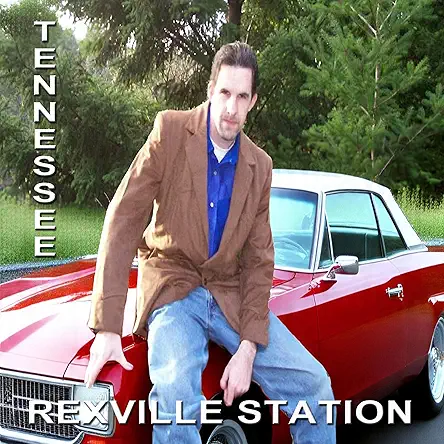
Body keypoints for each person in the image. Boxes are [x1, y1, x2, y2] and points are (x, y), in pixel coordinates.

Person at [85, 41, 336, 443]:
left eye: (242, 97)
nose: (231, 108)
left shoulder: (260, 166)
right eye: (224, 93)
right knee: (176, 401)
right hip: (173, 287)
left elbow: (259, 260)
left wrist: (248, 349)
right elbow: (123, 219)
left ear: (253, 101)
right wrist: (107, 328)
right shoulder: (170, 131)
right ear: (210, 89)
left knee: (316, 388)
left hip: (228, 292)